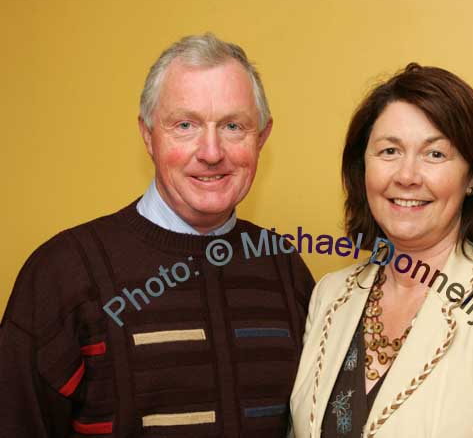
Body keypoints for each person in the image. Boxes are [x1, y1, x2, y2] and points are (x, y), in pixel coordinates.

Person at [0, 33, 314, 437]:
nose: (212, 151)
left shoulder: (284, 267)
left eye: (234, 126)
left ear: (262, 137)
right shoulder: (62, 272)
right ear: (148, 135)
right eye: (185, 125)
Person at [290, 63, 473, 438]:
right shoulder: (329, 295)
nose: (407, 176)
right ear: (363, 169)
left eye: (435, 155)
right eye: (389, 151)